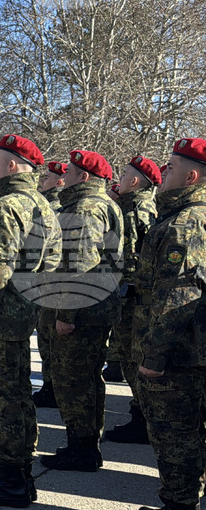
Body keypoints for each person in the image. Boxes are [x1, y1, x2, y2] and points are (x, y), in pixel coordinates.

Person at [0, 134, 61, 507]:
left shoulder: (7, 207)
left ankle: (12, 481)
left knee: (2, 402)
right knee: (19, 398)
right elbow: (50, 266)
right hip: (22, 314)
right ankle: (21, 476)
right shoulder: (42, 205)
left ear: (14, 165)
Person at [123, 138, 206, 510]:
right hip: (191, 349)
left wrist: (153, 356)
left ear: (192, 176)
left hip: (178, 354)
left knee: (177, 434)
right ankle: (179, 505)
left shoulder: (184, 223)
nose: (163, 175)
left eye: (170, 168)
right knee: (189, 431)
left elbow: (180, 297)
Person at [40, 150, 124, 473]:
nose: (66, 176)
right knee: (87, 378)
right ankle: (84, 445)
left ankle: (83, 448)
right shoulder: (107, 205)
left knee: (74, 380)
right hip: (97, 308)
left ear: (84, 177)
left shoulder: (86, 209)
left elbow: (80, 266)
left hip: (82, 312)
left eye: (72, 171)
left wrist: (65, 315)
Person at [104, 156, 160, 445]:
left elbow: (131, 259)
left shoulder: (135, 211)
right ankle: (140, 415)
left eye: (124, 174)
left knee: (131, 357)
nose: (119, 178)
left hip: (132, 300)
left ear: (135, 181)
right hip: (130, 296)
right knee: (129, 358)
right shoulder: (131, 207)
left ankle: (142, 420)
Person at [30, 160, 69, 410]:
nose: (42, 181)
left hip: (50, 283)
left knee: (48, 340)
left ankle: (51, 386)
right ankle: (50, 385)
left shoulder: (52, 207)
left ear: (59, 182)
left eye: (47, 178)